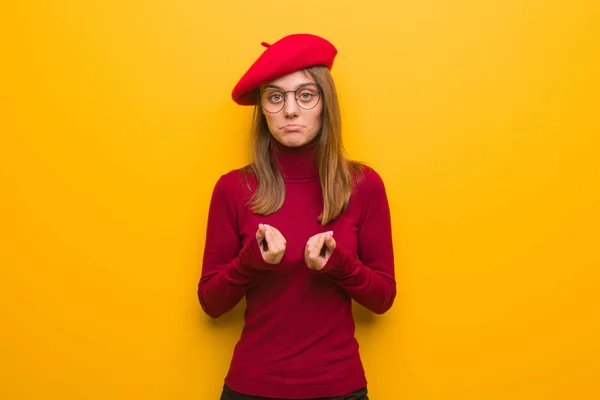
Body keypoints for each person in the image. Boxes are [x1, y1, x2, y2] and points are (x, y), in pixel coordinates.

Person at [198, 33, 396, 400]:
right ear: (263, 110)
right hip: (252, 388)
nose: (290, 110)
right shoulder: (233, 188)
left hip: (339, 388)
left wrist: (338, 263)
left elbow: (383, 298)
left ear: (325, 103)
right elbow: (210, 303)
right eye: (276, 97)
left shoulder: (363, 185)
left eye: (305, 95)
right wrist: (251, 261)